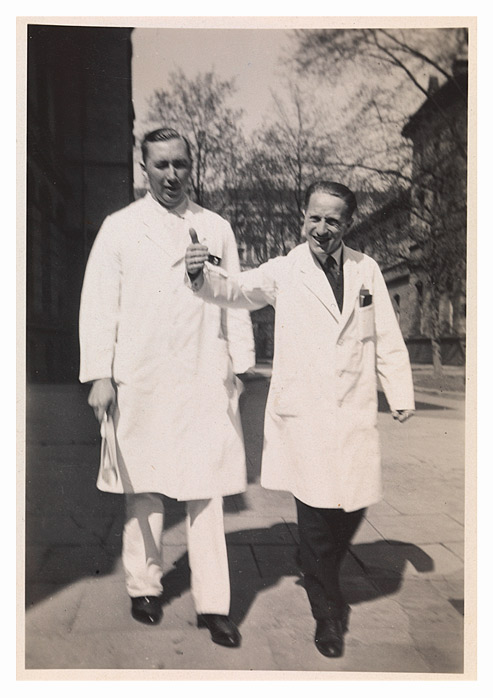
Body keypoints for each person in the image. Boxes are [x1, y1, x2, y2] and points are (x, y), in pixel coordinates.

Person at [185, 181, 415, 658]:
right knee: (315, 515)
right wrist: (200, 274)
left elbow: (387, 335)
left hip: (351, 407)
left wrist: (399, 391)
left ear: (347, 224)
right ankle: (328, 614)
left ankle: (315, 564)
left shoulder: (366, 269)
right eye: (315, 218)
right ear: (303, 218)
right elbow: (235, 288)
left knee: (353, 504)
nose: (322, 228)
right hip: (304, 413)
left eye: (333, 220)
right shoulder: (284, 270)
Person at [79, 127, 255, 648]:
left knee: (208, 490)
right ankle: (144, 585)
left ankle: (214, 605)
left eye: (180, 164)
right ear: (145, 169)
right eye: (161, 166)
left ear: (191, 165)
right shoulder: (119, 228)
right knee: (146, 489)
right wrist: (101, 376)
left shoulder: (215, 227)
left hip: (204, 374)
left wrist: (239, 366)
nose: (172, 175)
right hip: (144, 376)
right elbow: (98, 306)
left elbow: (236, 296)